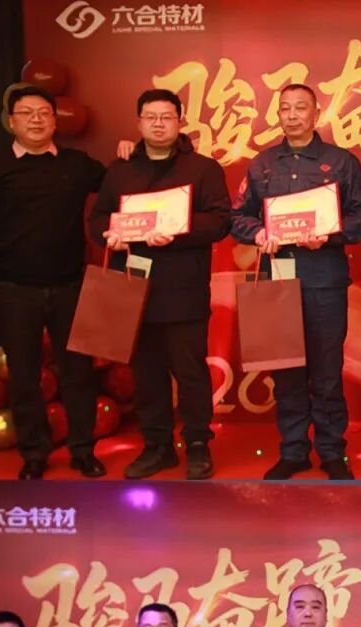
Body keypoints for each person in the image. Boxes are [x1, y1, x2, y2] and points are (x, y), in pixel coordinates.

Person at [0, 84, 106, 479]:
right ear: (11, 122)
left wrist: (132, 152)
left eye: (44, 112)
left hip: (70, 286)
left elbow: (120, 185)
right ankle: (34, 454)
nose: (36, 120)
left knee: (78, 373)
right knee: (24, 377)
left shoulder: (77, 165)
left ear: (55, 121)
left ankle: (83, 450)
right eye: (27, 113)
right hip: (13, 289)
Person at [230, 82, 361, 479]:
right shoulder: (263, 164)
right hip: (278, 281)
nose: (292, 115)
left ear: (316, 113)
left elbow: (360, 218)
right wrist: (259, 232)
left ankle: (331, 451)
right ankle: (293, 450)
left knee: (327, 370)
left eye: (300, 108)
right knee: (286, 370)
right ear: (278, 114)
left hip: (324, 279)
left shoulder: (340, 162)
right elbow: (238, 216)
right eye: (285, 108)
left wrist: (329, 234)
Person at [91, 89, 231, 480]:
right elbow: (99, 217)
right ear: (138, 122)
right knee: (146, 374)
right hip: (134, 290)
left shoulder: (203, 168)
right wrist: (110, 236)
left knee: (191, 373)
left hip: (183, 289)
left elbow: (220, 220)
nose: (158, 124)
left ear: (180, 121)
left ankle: (198, 444)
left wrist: (176, 229)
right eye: (150, 117)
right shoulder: (121, 170)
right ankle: (157, 446)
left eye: (166, 116)